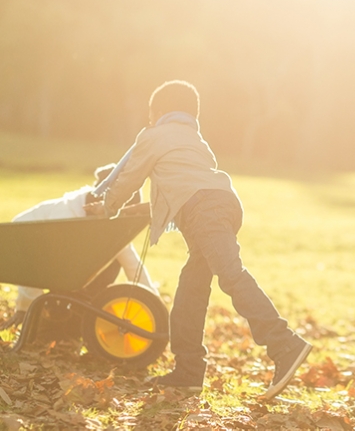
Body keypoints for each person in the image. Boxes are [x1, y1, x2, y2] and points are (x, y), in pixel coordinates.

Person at [89, 80, 311, 398]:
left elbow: (128, 178)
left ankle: (284, 344)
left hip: (204, 212)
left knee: (231, 275)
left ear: (158, 113)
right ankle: (188, 371)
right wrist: (136, 211)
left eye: (150, 116)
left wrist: (107, 207)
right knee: (191, 290)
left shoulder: (153, 136)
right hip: (221, 204)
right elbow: (178, 190)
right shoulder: (193, 139)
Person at [0, 165, 158, 331]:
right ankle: (54, 314)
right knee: (61, 267)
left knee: (113, 260)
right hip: (24, 244)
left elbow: (132, 263)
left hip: (67, 271)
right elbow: (33, 263)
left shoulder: (107, 224)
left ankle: (77, 315)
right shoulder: (64, 217)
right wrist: (25, 307)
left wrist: (154, 305)